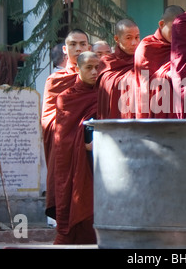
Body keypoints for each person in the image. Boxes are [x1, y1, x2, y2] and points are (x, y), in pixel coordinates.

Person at [41, 29, 91, 220]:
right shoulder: (56, 80)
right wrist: (73, 133)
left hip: (90, 147)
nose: (78, 48)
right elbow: (48, 119)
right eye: (73, 44)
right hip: (66, 147)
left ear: (88, 46)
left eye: (82, 44)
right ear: (64, 49)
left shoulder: (97, 77)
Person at [53, 51, 99, 245]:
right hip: (79, 158)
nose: (95, 72)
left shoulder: (104, 93)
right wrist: (84, 144)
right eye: (89, 67)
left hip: (102, 159)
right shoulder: (66, 98)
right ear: (78, 69)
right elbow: (63, 139)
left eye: (97, 67)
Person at [134, 5, 185, 118]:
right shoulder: (147, 47)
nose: (178, 34)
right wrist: (166, 75)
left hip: (180, 110)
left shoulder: (184, 46)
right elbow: (145, 85)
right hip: (153, 110)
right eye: (174, 29)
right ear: (162, 24)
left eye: (182, 29)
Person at [96, 19, 140, 119]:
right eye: (128, 38)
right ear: (117, 39)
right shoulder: (107, 62)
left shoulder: (143, 59)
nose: (134, 42)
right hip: (114, 118)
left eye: (137, 37)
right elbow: (107, 87)